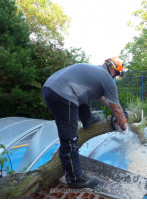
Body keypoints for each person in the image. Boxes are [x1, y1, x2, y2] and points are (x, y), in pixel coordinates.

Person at [42, 57, 127, 189]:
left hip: (50, 87)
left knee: (82, 95)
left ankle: (88, 120)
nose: (115, 77)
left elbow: (107, 101)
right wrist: (124, 124)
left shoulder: (96, 72)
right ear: (113, 69)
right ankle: (75, 179)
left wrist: (118, 115)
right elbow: (116, 108)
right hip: (62, 94)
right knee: (70, 139)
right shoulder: (106, 79)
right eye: (117, 74)